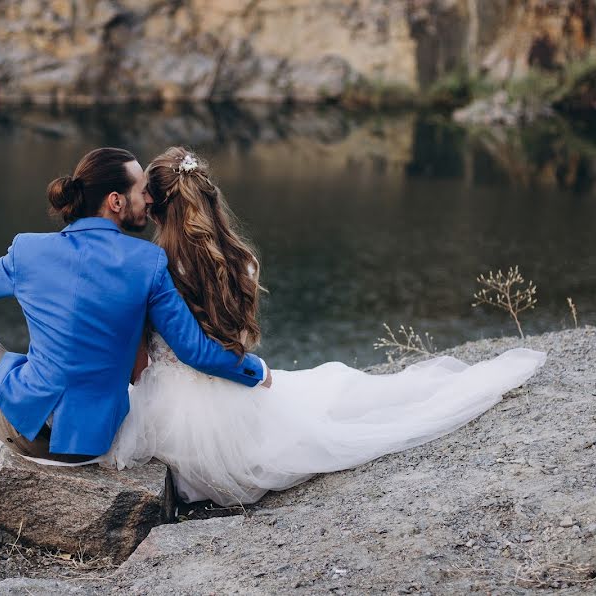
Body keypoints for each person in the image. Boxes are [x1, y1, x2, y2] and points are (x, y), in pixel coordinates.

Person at [101, 147, 547, 506]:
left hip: (180, 407)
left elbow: (179, 352)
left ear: (158, 209)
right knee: (331, 399)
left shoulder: (157, 266)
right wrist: (253, 369)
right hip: (231, 393)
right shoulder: (237, 259)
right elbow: (222, 340)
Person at [0, 147, 272, 496]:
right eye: (142, 192)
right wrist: (254, 369)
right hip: (96, 442)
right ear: (115, 201)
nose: (150, 200)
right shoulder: (148, 263)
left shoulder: (30, 251)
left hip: (29, 434)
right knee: (29, 366)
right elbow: (195, 351)